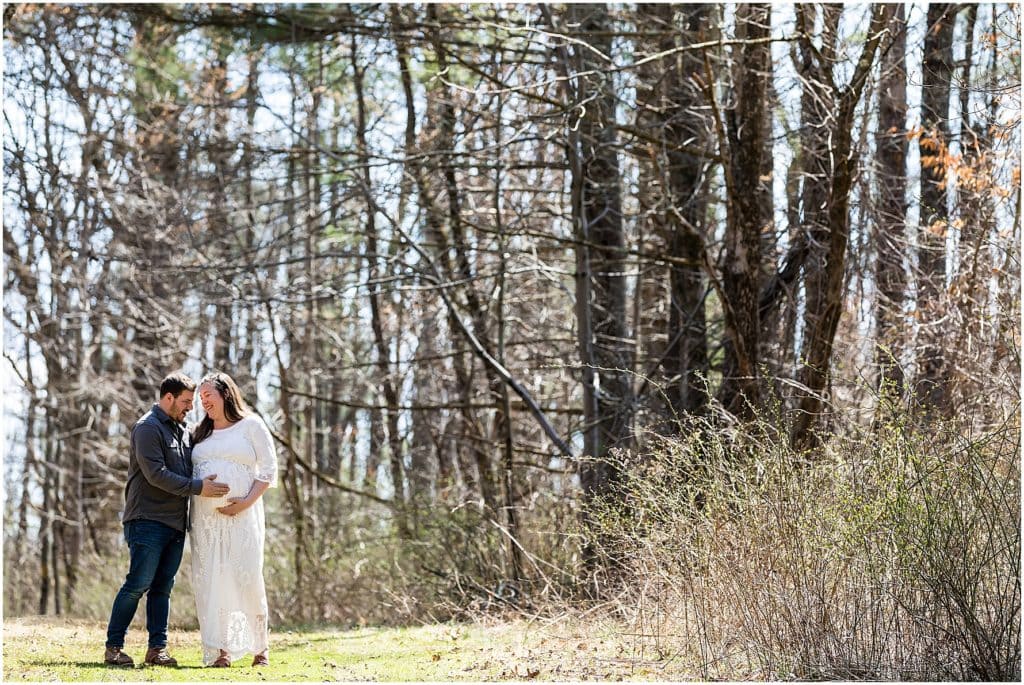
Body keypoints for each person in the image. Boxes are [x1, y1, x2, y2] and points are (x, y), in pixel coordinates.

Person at [104, 372, 230, 667]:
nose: (190, 407)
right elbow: (156, 475)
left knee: (163, 588)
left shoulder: (183, 432)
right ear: (168, 398)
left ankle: (156, 650)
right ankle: (113, 648)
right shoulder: (147, 429)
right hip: (146, 519)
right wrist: (200, 487)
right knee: (138, 584)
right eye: (186, 401)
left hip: (175, 523)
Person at [190, 371, 278, 667]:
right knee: (212, 579)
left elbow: (268, 469)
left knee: (247, 577)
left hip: (242, 516)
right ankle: (220, 650)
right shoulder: (197, 433)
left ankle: (260, 648)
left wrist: (245, 502)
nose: (203, 402)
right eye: (200, 397)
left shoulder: (251, 425)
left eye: (208, 395)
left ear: (225, 394)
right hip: (206, 521)